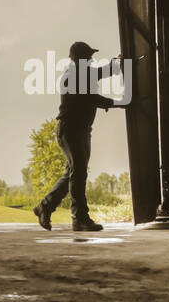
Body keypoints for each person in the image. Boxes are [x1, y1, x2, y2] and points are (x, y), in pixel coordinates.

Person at [35, 42, 126, 232]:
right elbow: (92, 98)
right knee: (78, 173)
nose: (91, 60)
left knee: (73, 173)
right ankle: (79, 218)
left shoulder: (85, 73)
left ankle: (45, 206)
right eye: (88, 57)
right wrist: (119, 102)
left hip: (81, 130)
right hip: (70, 130)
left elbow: (106, 70)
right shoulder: (72, 78)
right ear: (78, 59)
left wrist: (119, 62)